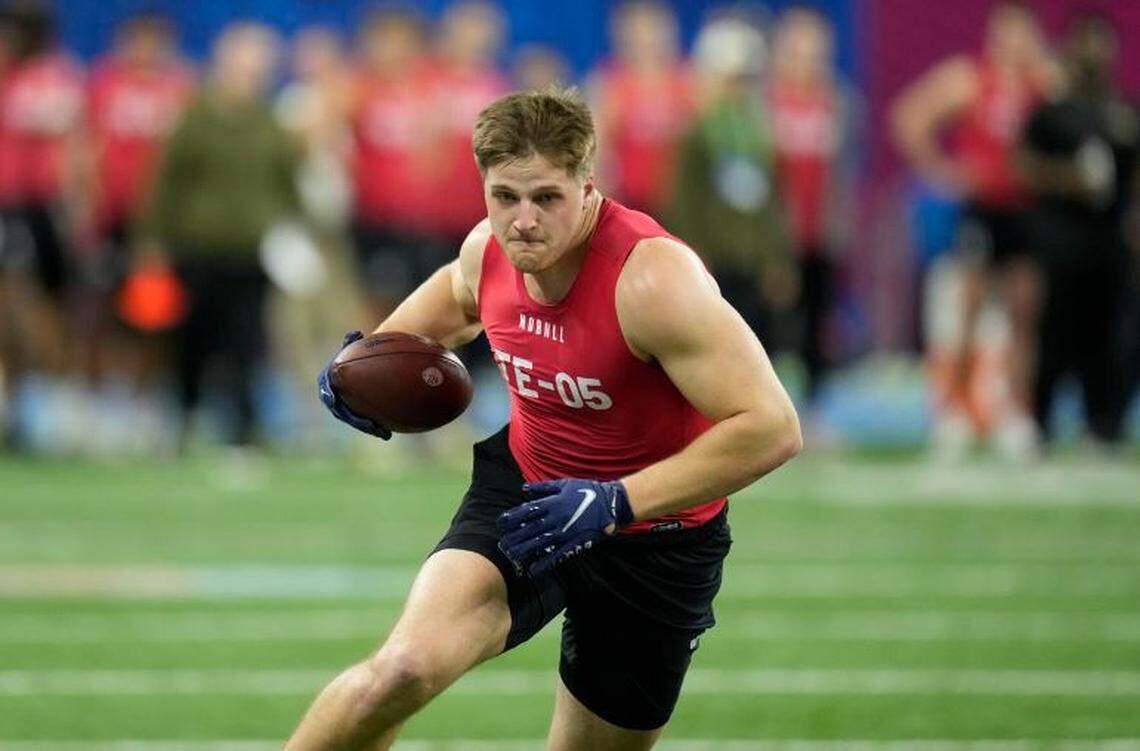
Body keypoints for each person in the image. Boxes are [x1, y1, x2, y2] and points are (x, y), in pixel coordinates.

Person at [291, 88, 801, 750]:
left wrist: (616, 500)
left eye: (547, 198)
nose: (524, 219)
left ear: (587, 188)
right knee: (399, 671)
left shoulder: (653, 280)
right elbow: (447, 305)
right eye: (505, 196)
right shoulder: (486, 252)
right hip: (529, 496)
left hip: (657, 535)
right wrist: (354, 370)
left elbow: (771, 426)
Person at [892, 1, 1059, 458]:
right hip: (982, 209)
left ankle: (1018, 413)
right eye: (1006, 33)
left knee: (1025, 313)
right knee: (969, 311)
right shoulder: (969, 79)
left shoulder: (1042, 83)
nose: (1013, 43)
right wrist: (941, 171)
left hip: (1025, 211)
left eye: (1022, 34)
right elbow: (909, 116)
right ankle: (954, 413)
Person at [134, 22, 300, 450]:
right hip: (197, 248)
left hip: (251, 253)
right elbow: (165, 183)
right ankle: (183, 421)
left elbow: (288, 184)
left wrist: (292, 235)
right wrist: (151, 242)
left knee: (246, 343)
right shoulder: (194, 118)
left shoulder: (270, 124)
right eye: (243, 69)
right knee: (191, 341)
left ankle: (244, 432)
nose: (250, 79)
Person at [1019, 13, 1139, 447]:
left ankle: (1103, 424)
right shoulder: (1052, 112)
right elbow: (1025, 166)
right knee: (1055, 333)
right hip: (1061, 238)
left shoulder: (1123, 112)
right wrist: (1070, 178)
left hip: (1109, 240)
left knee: (1110, 335)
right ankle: (1042, 424)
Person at [669, 14, 794, 347]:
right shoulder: (696, 135)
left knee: (759, 339)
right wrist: (692, 255)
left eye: (745, 80)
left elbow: (771, 205)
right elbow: (683, 202)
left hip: (752, 259)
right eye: (731, 80)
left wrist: (776, 259)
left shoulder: (761, 136)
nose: (738, 89)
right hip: (714, 258)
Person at [768, 6, 855, 402]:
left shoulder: (837, 102)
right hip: (774, 236)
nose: (807, 63)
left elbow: (841, 172)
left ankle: (815, 405)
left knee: (817, 323)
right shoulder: (765, 102)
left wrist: (838, 224)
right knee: (770, 321)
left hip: (818, 233)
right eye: (799, 52)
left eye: (815, 54)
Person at [590, 0, 695, 215]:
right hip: (630, 202)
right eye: (637, 33)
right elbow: (598, 148)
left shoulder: (687, 81)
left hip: (679, 202)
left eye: (652, 31)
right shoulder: (611, 82)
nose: (645, 41)